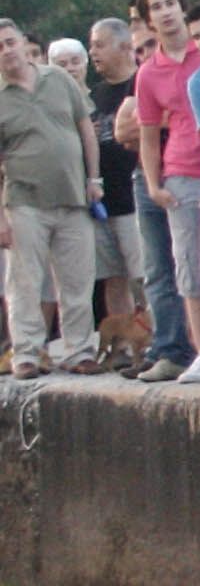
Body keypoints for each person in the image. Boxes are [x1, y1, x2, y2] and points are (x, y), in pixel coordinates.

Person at [130, 0, 200, 382]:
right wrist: (154, 184)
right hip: (182, 172)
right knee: (190, 264)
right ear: (148, 20)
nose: (166, 12)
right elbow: (148, 133)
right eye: (157, 7)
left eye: (171, 3)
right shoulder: (149, 73)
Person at [0, 19, 103, 376]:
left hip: (74, 195)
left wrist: (94, 178)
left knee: (77, 279)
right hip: (23, 200)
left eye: (10, 41)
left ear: (21, 42)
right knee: (25, 281)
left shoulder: (57, 79)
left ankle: (80, 351)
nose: (7, 50)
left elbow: (85, 128)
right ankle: (26, 353)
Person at [83, 18, 150, 371]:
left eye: (100, 44)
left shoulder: (139, 83)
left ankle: (153, 343)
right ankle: (121, 348)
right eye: (91, 45)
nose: (93, 51)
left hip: (135, 194)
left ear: (125, 46)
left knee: (144, 275)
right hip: (101, 203)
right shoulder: (92, 96)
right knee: (112, 276)